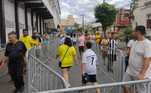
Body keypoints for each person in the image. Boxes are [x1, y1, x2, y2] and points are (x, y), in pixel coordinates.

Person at [123, 26, 151, 93]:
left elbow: (147, 60)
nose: (132, 33)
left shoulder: (147, 44)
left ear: (138, 32)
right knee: (125, 85)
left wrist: (142, 74)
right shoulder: (135, 42)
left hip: (140, 73)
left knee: (142, 91)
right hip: (130, 71)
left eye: (134, 32)